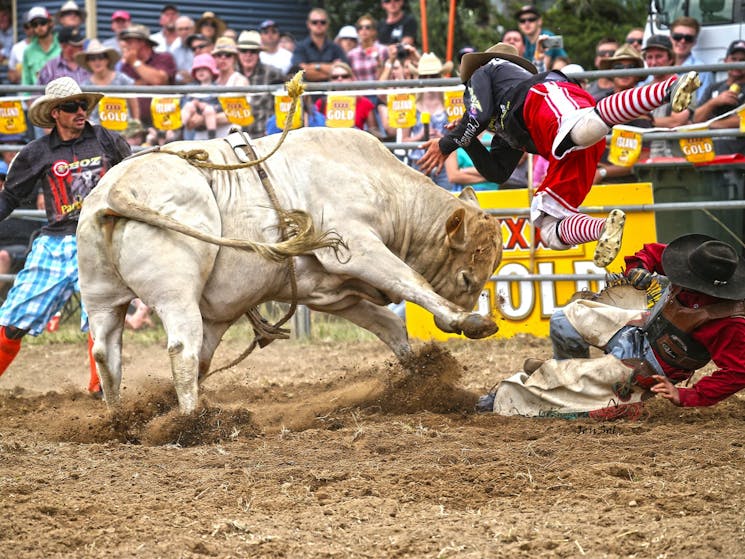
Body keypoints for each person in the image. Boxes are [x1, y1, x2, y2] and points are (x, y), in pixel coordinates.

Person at [416, 43, 701, 267]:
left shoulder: (486, 70)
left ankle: (667, 88)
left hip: (549, 102)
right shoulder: (504, 124)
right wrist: (467, 142)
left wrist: (447, 143)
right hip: (563, 143)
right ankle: (602, 228)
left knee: (579, 128)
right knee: (547, 225)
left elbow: (476, 115)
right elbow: (497, 172)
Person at [479, 234, 745, 418]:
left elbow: (739, 371)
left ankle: (511, 397)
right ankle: (571, 377)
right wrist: (639, 267)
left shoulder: (729, 323)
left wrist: (686, 395)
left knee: (573, 375)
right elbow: (653, 253)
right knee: (565, 317)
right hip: (641, 327)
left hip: (650, 367)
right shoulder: (697, 262)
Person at [0, 77, 131, 395]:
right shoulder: (36, 152)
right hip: (57, 243)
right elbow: (10, 198)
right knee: (14, 320)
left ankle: (101, 391)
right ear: (54, 113)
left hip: (102, 240)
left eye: (83, 104)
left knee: (102, 321)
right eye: (71, 106)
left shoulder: (108, 141)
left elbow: (133, 181)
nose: (80, 111)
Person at [594, 45, 652, 184]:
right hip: (589, 178)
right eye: (618, 67)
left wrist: (602, 173)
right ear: (611, 73)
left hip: (625, 183)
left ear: (637, 74)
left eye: (631, 68)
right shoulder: (596, 103)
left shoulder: (642, 111)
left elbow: (642, 159)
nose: (624, 72)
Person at [403, 53, 454, 190]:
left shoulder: (450, 103)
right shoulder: (411, 105)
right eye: (424, 77)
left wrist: (442, 138)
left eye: (433, 76)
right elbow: (403, 141)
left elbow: (460, 135)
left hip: (445, 161)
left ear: (440, 77)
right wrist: (420, 137)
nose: (429, 80)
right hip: (420, 162)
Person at [642, 35, 695, 158]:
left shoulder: (683, 85)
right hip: (647, 157)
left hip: (675, 156)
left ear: (671, 59)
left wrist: (645, 122)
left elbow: (677, 121)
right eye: (649, 57)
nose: (653, 62)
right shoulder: (643, 89)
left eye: (659, 56)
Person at [693, 39, 745, 155]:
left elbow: (742, 121)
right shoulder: (713, 87)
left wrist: (709, 125)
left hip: (740, 158)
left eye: (742, 60)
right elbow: (696, 119)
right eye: (734, 59)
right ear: (726, 61)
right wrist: (714, 102)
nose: (737, 64)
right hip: (711, 155)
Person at [119, 24, 177, 129]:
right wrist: (146, 81)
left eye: (130, 41)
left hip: (164, 120)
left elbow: (158, 80)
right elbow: (127, 88)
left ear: (142, 42)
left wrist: (134, 62)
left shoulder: (164, 58)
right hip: (136, 123)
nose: (125, 45)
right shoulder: (126, 66)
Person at [236, 30, 287, 139]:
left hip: (264, 136)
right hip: (235, 136)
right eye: (244, 51)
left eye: (253, 51)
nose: (248, 55)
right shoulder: (232, 74)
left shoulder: (274, 73)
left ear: (259, 53)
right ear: (238, 53)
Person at [77, 39, 138, 125]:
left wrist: (136, 125)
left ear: (107, 59)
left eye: (101, 57)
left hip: (123, 130)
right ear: (88, 62)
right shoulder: (85, 86)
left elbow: (134, 105)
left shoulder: (122, 79)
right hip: (97, 133)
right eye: (92, 58)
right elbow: (84, 115)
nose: (97, 62)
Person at [315, 61, 382, 138]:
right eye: (335, 77)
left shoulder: (364, 102)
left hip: (355, 144)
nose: (340, 79)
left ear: (351, 78)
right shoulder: (321, 103)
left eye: (344, 76)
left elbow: (375, 132)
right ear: (330, 81)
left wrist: (359, 133)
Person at [292, 8, 348, 82]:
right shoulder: (300, 47)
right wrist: (331, 68)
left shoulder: (336, 48)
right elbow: (301, 72)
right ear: (308, 24)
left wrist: (312, 67)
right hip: (307, 91)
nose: (319, 24)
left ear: (327, 24)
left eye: (323, 22)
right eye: (314, 22)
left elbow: (343, 72)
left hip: (332, 91)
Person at [670, 16, 713, 103]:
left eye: (688, 38)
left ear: (694, 42)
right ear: (670, 38)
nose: (682, 41)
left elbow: (702, 104)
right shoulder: (656, 65)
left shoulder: (703, 71)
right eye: (678, 37)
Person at [180, 53, 222, 140]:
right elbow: (182, 104)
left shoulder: (218, 88)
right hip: (192, 128)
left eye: (204, 69)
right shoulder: (190, 88)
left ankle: (212, 137)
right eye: (197, 69)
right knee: (188, 106)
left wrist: (209, 107)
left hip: (209, 123)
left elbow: (222, 106)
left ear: (211, 70)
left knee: (209, 110)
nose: (200, 72)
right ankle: (178, 127)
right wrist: (194, 103)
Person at [514, 5, 567, 71]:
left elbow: (543, 67)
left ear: (539, 21)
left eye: (531, 19)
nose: (526, 23)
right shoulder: (522, 40)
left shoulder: (546, 37)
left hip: (555, 74)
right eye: (522, 20)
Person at [21, 7, 59, 86]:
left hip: (62, 95)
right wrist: (26, 97)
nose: (39, 27)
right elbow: (26, 81)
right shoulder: (28, 51)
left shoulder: (62, 45)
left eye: (42, 22)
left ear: (50, 23)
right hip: (37, 96)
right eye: (35, 24)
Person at [347, 14, 388, 83]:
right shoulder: (351, 54)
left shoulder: (383, 50)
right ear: (357, 32)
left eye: (368, 27)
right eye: (360, 28)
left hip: (380, 91)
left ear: (374, 31)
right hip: (360, 92)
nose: (364, 30)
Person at [587, 37, 619, 101]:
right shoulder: (587, 90)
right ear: (596, 60)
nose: (607, 56)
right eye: (602, 53)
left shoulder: (626, 88)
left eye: (612, 53)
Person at [7, 20, 34, 84]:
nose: (31, 30)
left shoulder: (45, 47)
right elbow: (11, 72)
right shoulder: (17, 47)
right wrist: (15, 76)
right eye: (27, 27)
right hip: (23, 91)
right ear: (24, 29)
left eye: (33, 26)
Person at [171, 15, 196, 84]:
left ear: (193, 29)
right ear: (176, 32)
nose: (184, 32)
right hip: (178, 88)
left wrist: (193, 77)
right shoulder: (173, 49)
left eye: (187, 29)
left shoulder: (201, 46)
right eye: (180, 29)